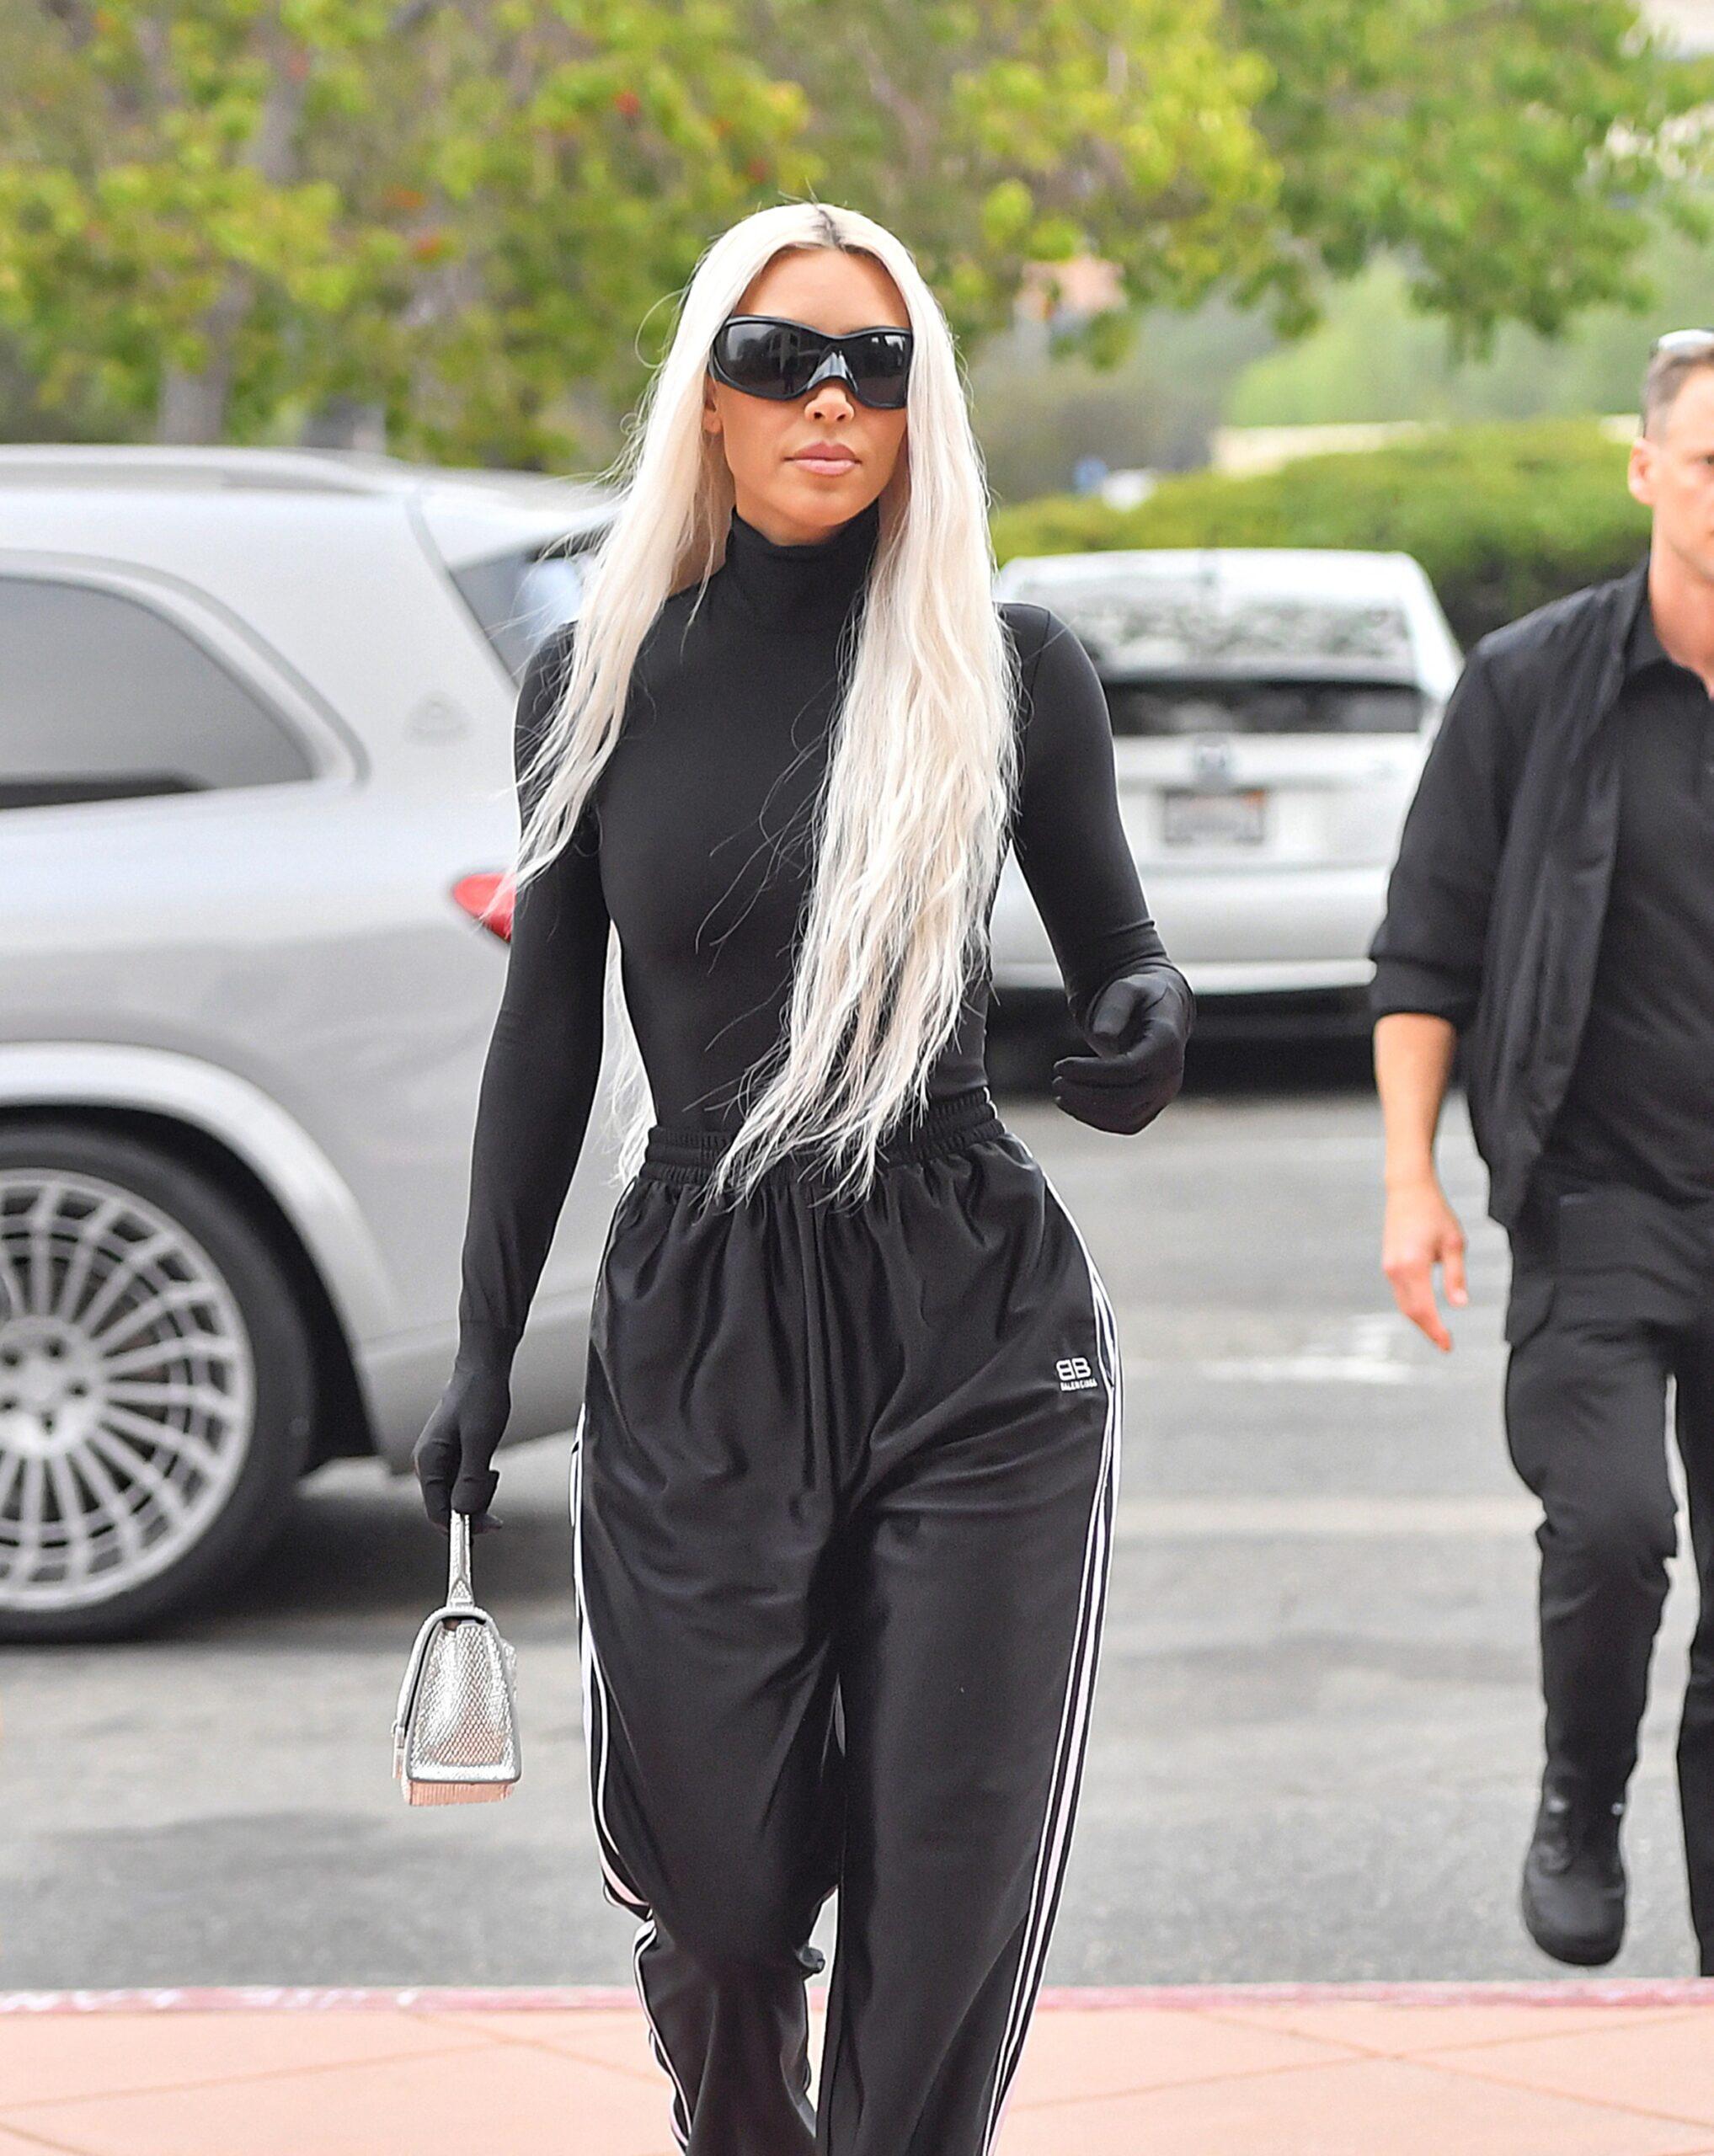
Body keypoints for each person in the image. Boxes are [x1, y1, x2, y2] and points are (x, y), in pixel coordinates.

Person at [412, 200, 1193, 2155]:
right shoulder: (597, 675)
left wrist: (1144, 1020)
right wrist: (480, 1352)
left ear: (921, 404)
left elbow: (1125, 952)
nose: (827, 396)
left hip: (974, 1320)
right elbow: (548, 1037)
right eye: (779, 357)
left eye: (873, 361)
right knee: (729, 1898)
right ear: (708, 393)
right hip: (699, 1317)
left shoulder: (1009, 667)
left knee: (942, 1904)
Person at [1369, 330, 1714, 1974]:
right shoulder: (1527, 685)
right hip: (1598, 1193)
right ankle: (1578, 1791)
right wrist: (1408, 1180)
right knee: (1611, 1526)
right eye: (1709, 461)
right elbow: (1422, 949)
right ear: (1645, 470)